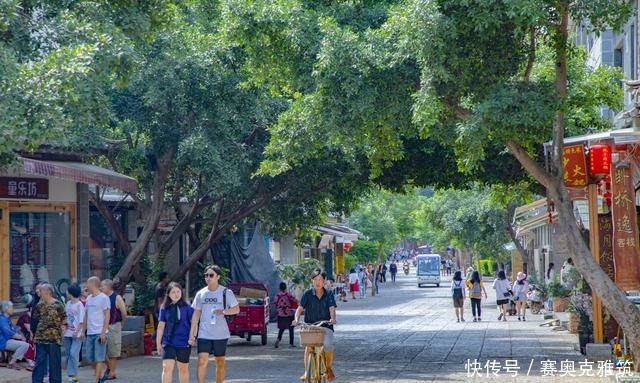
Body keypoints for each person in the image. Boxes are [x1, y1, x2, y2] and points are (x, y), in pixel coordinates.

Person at [189, 265, 240, 383]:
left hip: (220, 333)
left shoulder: (226, 292)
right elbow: (196, 314)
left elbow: (236, 309)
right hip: (204, 333)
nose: (208, 278)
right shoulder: (201, 294)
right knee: (202, 360)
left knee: (220, 361)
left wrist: (223, 311)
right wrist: (192, 333)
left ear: (218, 277)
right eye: (206, 275)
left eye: (211, 275)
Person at [293, 269, 337, 382]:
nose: (318, 282)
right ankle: (306, 372)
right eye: (315, 279)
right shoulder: (307, 294)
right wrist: (296, 319)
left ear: (324, 281)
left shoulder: (329, 294)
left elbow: (332, 308)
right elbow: (300, 309)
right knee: (308, 346)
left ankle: (328, 367)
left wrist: (332, 318)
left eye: (320, 279)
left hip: (325, 326)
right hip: (310, 326)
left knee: (327, 346)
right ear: (312, 280)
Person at [157, 282, 194, 383]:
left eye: (178, 291)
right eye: (173, 292)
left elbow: (193, 324)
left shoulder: (187, 307)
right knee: (166, 368)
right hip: (168, 342)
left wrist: (192, 337)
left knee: (183, 369)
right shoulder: (164, 308)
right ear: (168, 294)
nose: (176, 294)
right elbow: (161, 326)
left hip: (183, 342)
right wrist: (158, 344)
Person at [32, 283, 67, 383]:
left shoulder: (58, 304)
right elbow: (36, 319)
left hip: (54, 338)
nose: (39, 293)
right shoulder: (39, 305)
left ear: (48, 292)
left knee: (54, 364)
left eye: (41, 291)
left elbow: (64, 319)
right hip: (40, 338)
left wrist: (62, 331)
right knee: (39, 363)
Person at [83, 276, 111, 383]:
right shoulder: (89, 298)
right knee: (91, 358)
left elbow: (107, 316)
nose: (86, 286)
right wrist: (83, 330)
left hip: (99, 332)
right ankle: (105, 369)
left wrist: (103, 332)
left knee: (99, 357)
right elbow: (86, 315)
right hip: (90, 332)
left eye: (87, 284)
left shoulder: (104, 298)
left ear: (92, 285)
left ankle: (97, 379)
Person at [100, 279, 127, 380]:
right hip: (102, 326)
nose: (101, 288)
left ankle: (112, 372)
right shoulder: (101, 298)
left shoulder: (116, 297)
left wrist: (121, 324)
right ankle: (109, 368)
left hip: (114, 325)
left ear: (108, 286)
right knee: (101, 350)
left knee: (113, 350)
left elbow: (124, 313)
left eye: (102, 286)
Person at [0, 300, 33, 370]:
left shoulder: (6, 318)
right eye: (11, 307)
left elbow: (13, 329)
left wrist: (19, 335)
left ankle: (29, 362)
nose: (12, 309)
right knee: (25, 345)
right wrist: (20, 336)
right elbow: (8, 332)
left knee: (24, 343)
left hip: (6, 340)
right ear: (6, 309)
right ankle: (12, 363)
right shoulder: (2, 319)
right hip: (3, 342)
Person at [64, 284, 85, 383]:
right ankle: (70, 374)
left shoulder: (80, 305)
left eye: (68, 291)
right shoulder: (68, 303)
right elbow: (65, 317)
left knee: (74, 353)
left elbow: (82, 320)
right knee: (68, 353)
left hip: (77, 333)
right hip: (67, 332)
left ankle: (74, 374)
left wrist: (78, 331)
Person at [274, 282, 298, 349]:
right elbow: (295, 301)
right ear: (285, 288)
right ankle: (291, 343)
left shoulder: (277, 296)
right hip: (289, 314)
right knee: (291, 328)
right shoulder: (289, 295)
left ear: (279, 288)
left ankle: (278, 340)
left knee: (281, 329)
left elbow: (275, 304)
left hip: (281, 315)